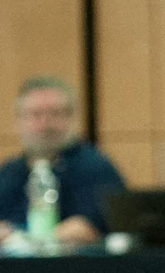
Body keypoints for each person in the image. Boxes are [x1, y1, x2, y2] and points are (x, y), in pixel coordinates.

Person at [0, 76, 123, 247]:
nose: (45, 124)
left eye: (55, 114)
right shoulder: (8, 172)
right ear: (18, 120)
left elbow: (103, 227)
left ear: (72, 118)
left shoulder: (96, 168)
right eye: (35, 115)